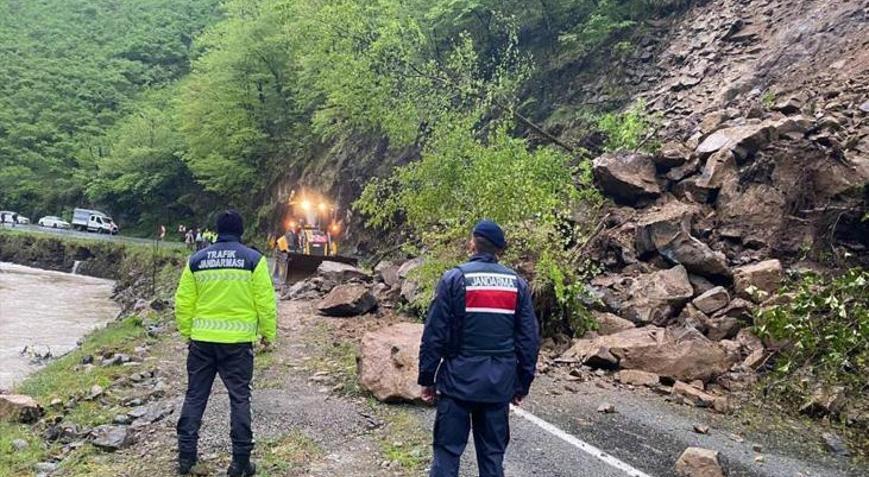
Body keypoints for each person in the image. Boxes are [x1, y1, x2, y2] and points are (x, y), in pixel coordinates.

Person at [418, 220, 540, 477]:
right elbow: (529, 339)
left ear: (474, 243)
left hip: (457, 383)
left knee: (446, 454)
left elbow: (434, 335)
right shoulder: (517, 285)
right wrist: (522, 383)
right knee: (492, 459)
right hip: (498, 386)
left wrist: (427, 378)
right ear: (499, 249)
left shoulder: (455, 278)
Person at [174, 210, 277, 477]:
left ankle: (186, 457)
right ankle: (240, 462)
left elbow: (183, 302)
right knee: (240, 398)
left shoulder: (196, 260)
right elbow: (265, 302)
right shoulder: (254, 260)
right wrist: (268, 333)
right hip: (238, 343)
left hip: (201, 342)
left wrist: (188, 332)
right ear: (241, 231)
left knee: (195, 395)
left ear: (216, 231)